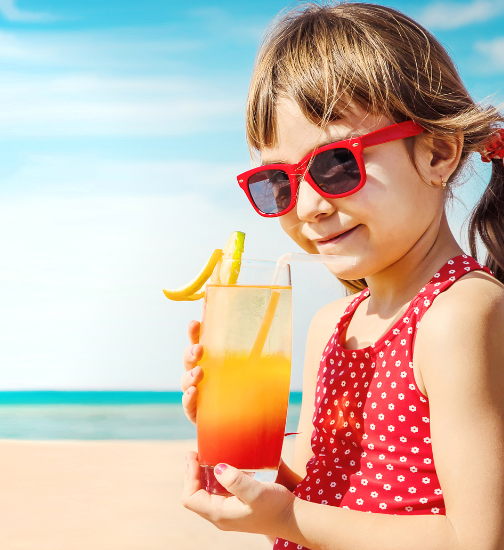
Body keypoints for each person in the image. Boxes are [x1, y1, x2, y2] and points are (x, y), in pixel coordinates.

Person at [178, 3, 504, 550]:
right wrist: (239, 451)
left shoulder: (460, 314)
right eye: (277, 182)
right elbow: (322, 490)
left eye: (335, 165)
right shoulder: (332, 325)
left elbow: (477, 539)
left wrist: (286, 522)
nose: (306, 206)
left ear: (437, 152)